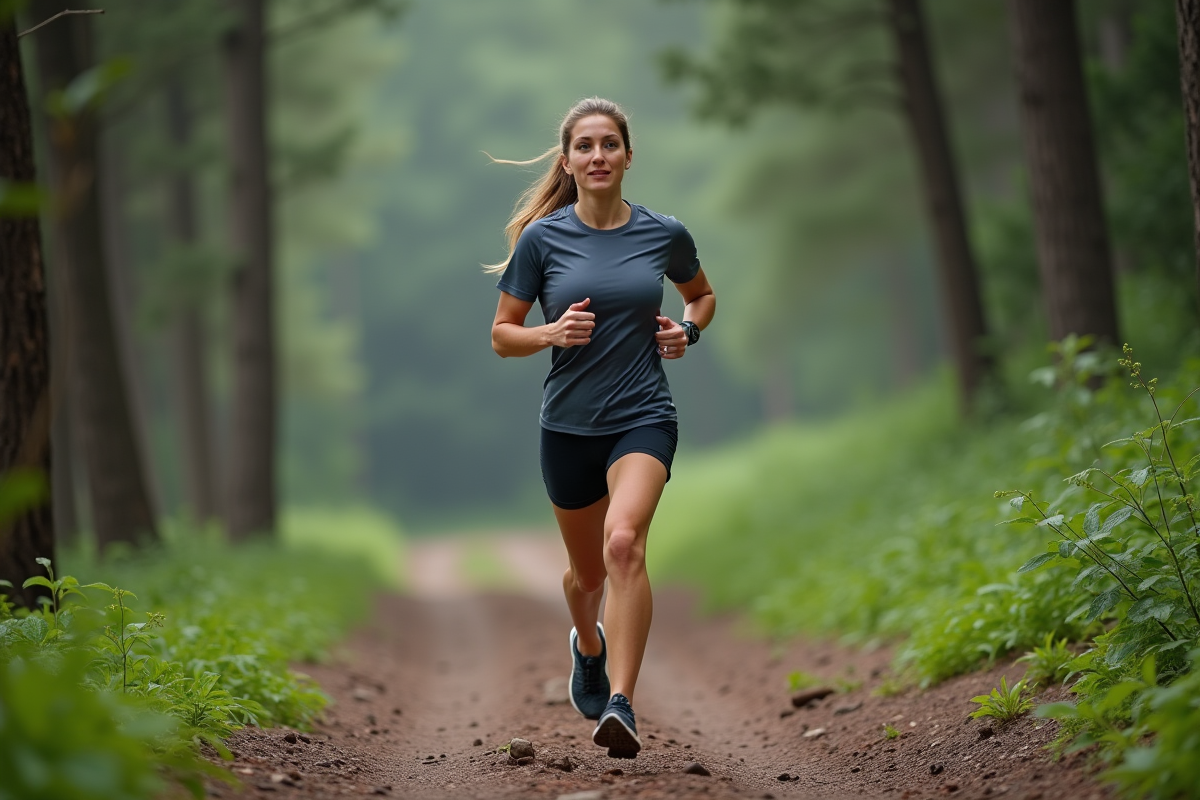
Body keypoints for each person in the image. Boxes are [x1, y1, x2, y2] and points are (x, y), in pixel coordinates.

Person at [487, 97, 716, 758]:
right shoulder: (543, 240)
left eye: (609, 144)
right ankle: (587, 644)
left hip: (643, 417)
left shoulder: (663, 233)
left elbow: (700, 293)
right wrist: (550, 333)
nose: (597, 156)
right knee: (586, 577)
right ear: (568, 160)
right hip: (567, 427)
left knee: (624, 546)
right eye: (584, 146)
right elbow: (502, 336)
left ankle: (620, 702)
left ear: (627, 156)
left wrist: (688, 330)